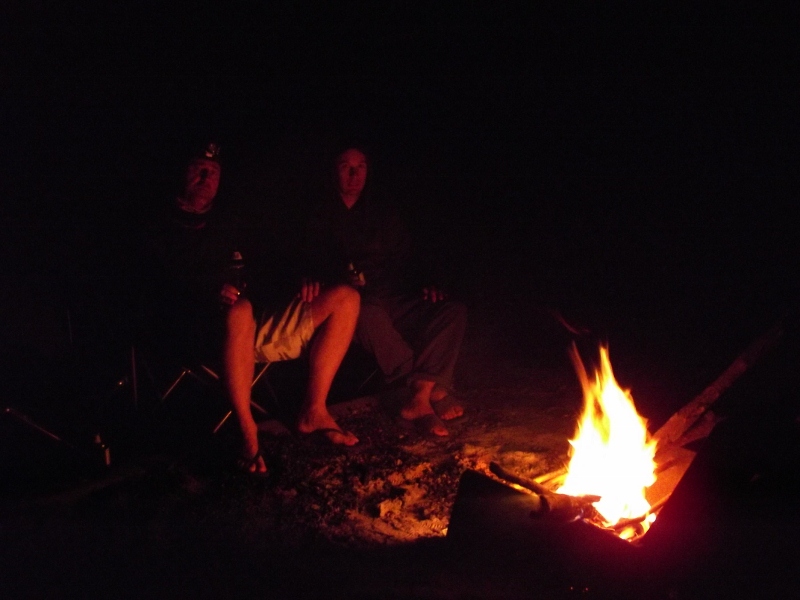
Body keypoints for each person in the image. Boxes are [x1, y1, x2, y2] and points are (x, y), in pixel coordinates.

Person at [143, 142, 361, 477]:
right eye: (199, 169)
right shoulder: (157, 224)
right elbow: (151, 288)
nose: (206, 177)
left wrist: (305, 276)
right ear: (181, 172)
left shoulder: (229, 221)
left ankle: (313, 411)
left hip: (249, 325)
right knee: (239, 310)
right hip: (193, 332)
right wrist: (208, 293)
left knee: (346, 298)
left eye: (214, 172)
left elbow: (276, 260)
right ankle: (247, 432)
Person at [304, 145, 467, 437]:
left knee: (451, 311)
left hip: (392, 295)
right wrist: (312, 278)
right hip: (352, 303)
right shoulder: (317, 214)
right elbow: (303, 259)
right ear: (333, 171)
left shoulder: (381, 212)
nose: (354, 175)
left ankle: (421, 394)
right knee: (364, 311)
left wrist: (428, 283)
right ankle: (425, 389)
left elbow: (409, 257)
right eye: (346, 167)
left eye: (361, 167)